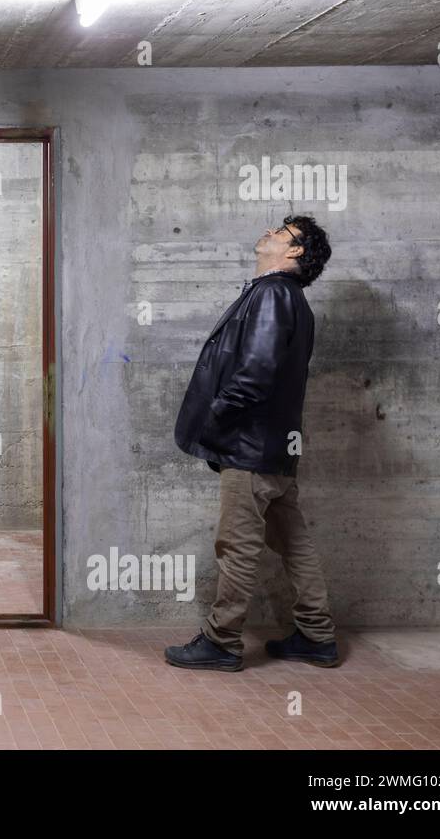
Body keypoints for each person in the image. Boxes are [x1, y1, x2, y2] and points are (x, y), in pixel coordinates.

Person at [164, 215, 337, 671]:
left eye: (282, 232)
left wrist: (215, 421)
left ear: (295, 251)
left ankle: (222, 642)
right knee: (294, 542)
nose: (270, 232)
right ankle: (317, 636)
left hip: (250, 448)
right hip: (277, 450)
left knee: (236, 544)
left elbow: (254, 376)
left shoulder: (273, 294)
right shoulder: (292, 299)